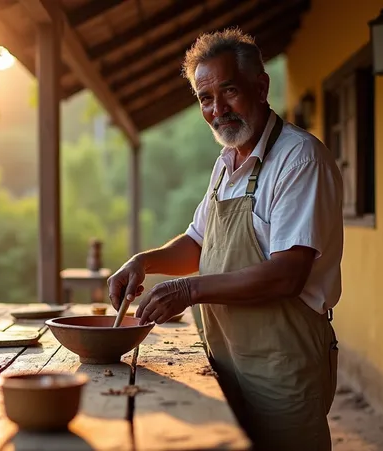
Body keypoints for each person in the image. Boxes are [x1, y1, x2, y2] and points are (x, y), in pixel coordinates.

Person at [107, 28, 343, 451]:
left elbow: (286, 276)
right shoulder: (226, 162)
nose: (218, 109)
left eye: (229, 91)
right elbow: (197, 242)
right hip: (226, 355)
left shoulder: (299, 159)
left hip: (281, 363)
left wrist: (189, 289)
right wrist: (144, 261)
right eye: (205, 98)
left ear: (261, 86)